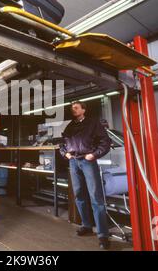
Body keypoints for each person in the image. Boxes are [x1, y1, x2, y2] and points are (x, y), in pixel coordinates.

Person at [60, 101, 111, 249]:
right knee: (79, 195)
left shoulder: (93, 123)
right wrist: (66, 154)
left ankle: (103, 235)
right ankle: (87, 225)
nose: (73, 110)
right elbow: (62, 143)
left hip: (88, 162)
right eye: (72, 108)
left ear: (84, 109)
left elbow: (105, 141)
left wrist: (94, 155)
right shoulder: (70, 126)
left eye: (76, 108)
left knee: (96, 197)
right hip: (74, 162)